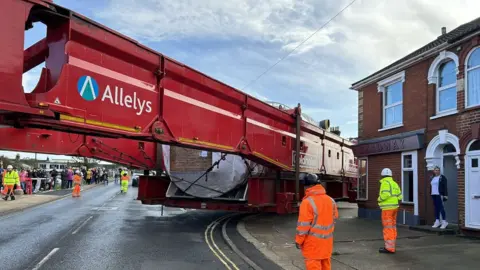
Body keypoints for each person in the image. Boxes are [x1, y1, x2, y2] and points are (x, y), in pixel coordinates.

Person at [295, 174, 338, 270]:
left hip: (312, 245)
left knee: (313, 266)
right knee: (326, 266)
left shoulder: (307, 202)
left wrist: (299, 241)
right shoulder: (331, 200)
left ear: (307, 186)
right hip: (327, 243)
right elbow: (334, 219)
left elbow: (303, 226)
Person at [377, 168, 402, 254]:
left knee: (387, 228)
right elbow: (400, 196)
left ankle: (389, 248)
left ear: (382, 175)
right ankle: (392, 245)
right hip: (395, 208)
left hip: (387, 209)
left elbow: (385, 194)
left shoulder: (384, 183)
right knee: (392, 227)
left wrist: (379, 199)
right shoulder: (394, 183)